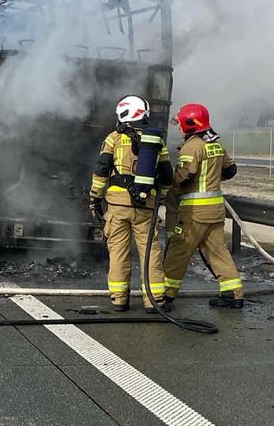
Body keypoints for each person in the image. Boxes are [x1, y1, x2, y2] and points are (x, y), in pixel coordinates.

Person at [88, 95, 172, 310]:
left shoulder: (113, 138)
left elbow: (101, 170)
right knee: (150, 252)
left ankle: (119, 299)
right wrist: (159, 199)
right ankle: (155, 301)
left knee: (118, 251)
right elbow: (166, 175)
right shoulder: (156, 140)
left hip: (117, 206)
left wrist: (95, 198)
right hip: (146, 206)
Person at [161, 103, 244, 310]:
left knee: (178, 250)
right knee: (218, 252)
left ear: (189, 124)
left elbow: (184, 176)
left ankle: (164, 296)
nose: (178, 128)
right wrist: (210, 179)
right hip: (215, 211)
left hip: (194, 212)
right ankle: (233, 294)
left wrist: (166, 182)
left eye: (180, 124)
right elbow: (231, 170)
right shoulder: (215, 144)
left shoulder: (192, 146)